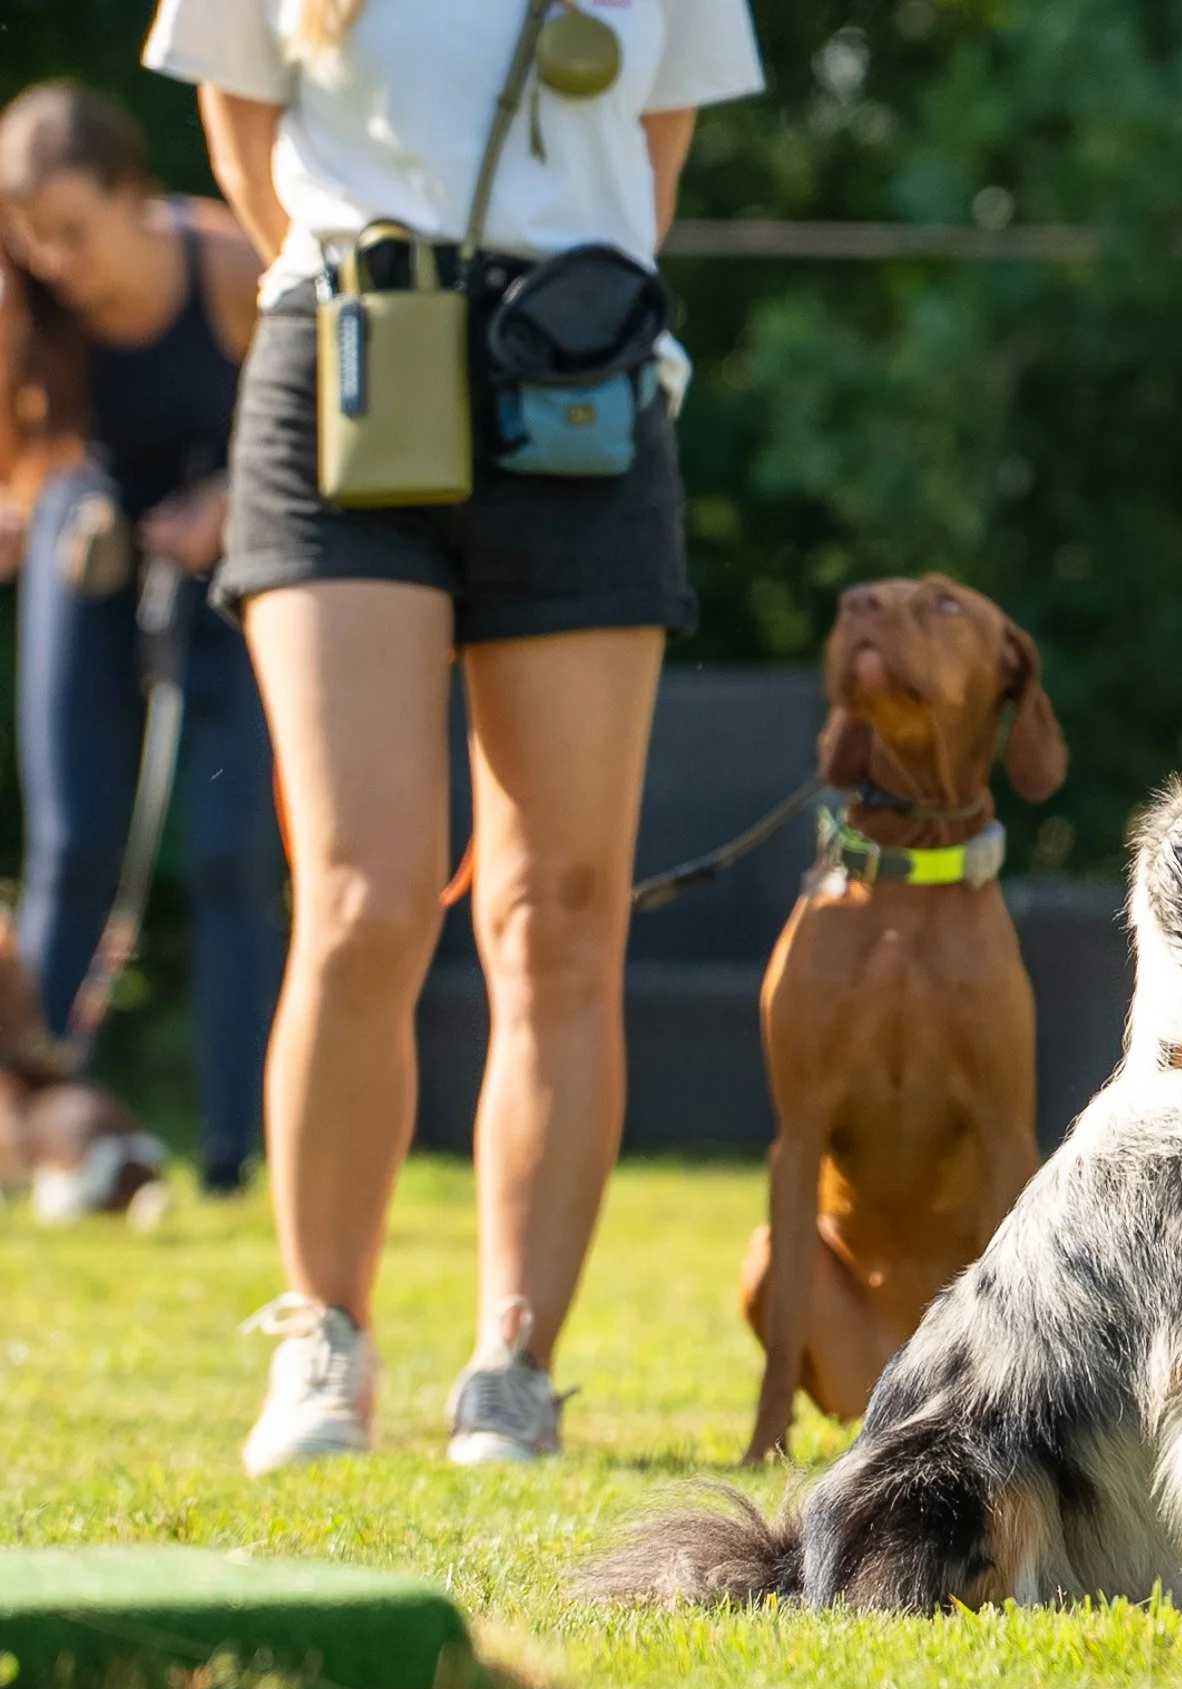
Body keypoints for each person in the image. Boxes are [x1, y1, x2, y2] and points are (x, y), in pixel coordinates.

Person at [141, 0, 763, 1472]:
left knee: (558, 912)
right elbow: (238, 124)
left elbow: (652, 150)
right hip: (350, 364)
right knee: (360, 899)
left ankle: (515, 1366)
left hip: (581, 378)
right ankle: (324, 1342)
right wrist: (388, 283)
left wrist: (540, 286)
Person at [0, 81, 278, 1196]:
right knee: (70, 846)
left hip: (237, 558)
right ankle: (33, 1130)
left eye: (71, 228)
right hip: (93, 545)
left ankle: (233, 1149)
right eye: (29, 234)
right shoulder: (25, 301)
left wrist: (225, 503)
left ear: (134, 193)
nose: (53, 257)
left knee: (229, 857)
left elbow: (303, 421)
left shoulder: (226, 263)